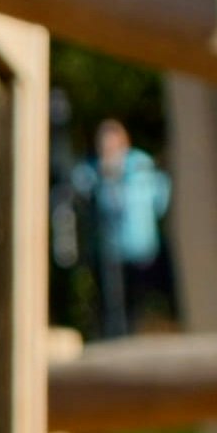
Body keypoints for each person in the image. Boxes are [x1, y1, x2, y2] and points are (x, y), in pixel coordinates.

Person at [67, 120, 171, 339]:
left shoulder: (139, 164)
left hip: (140, 246)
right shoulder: (94, 169)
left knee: (141, 300)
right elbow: (78, 185)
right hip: (110, 250)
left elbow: (160, 194)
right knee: (112, 303)